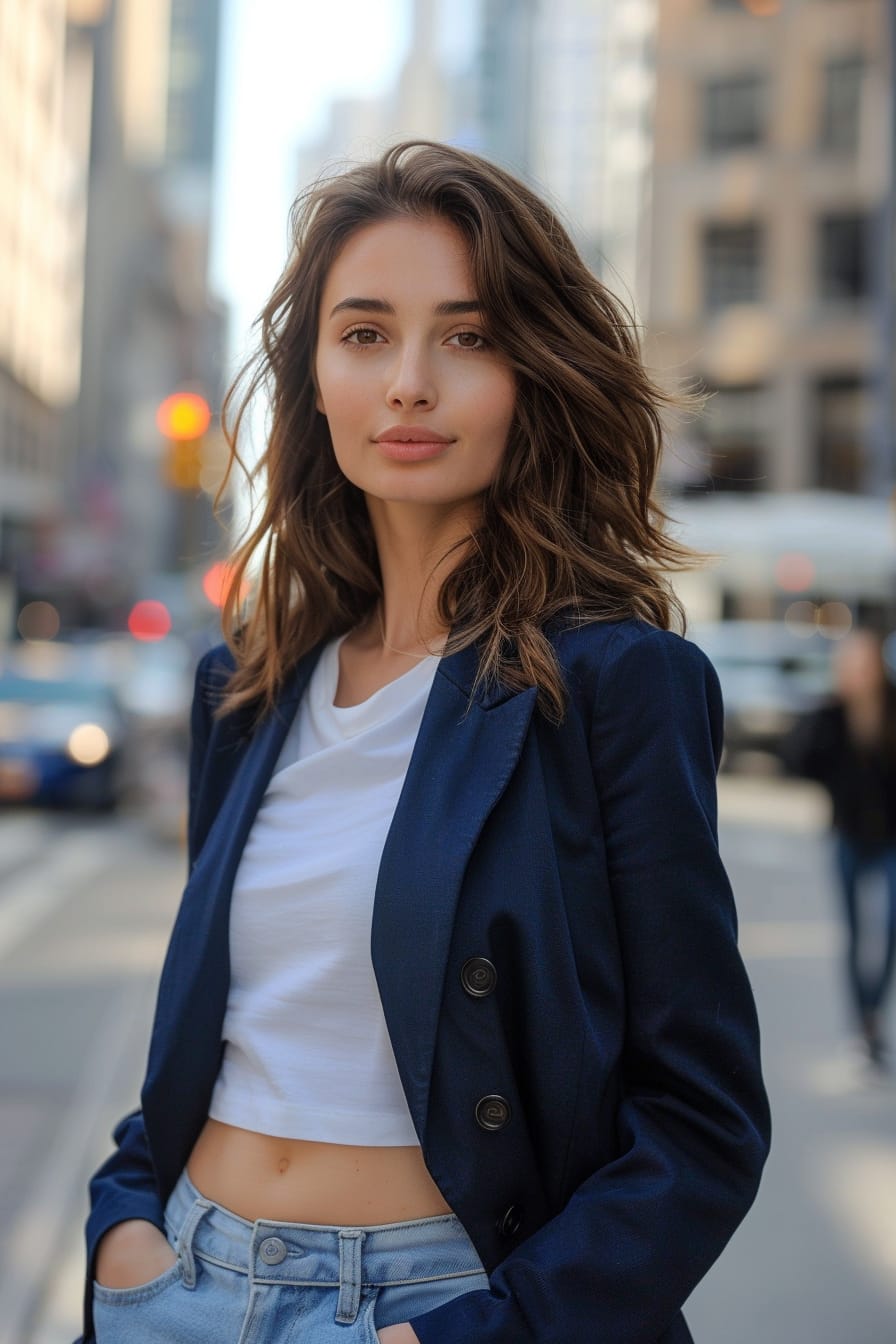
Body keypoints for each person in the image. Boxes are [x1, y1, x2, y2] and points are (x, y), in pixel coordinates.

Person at [80, 140, 771, 1344]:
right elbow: (216, 1034)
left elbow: (700, 1119)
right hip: (173, 1286)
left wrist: (483, 1334)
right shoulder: (244, 691)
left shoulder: (615, 686)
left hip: (430, 1307)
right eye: (362, 334)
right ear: (314, 380)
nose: (407, 381)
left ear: (535, 373)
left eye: (466, 335)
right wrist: (122, 1219)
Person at [783, 627, 896, 1067]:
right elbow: (798, 760)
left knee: (887, 931)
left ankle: (872, 1013)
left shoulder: (892, 707)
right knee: (853, 935)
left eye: (865, 662)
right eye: (851, 663)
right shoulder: (831, 713)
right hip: (847, 836)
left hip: (890, 838)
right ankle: (862, 1025)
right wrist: (826, 707)